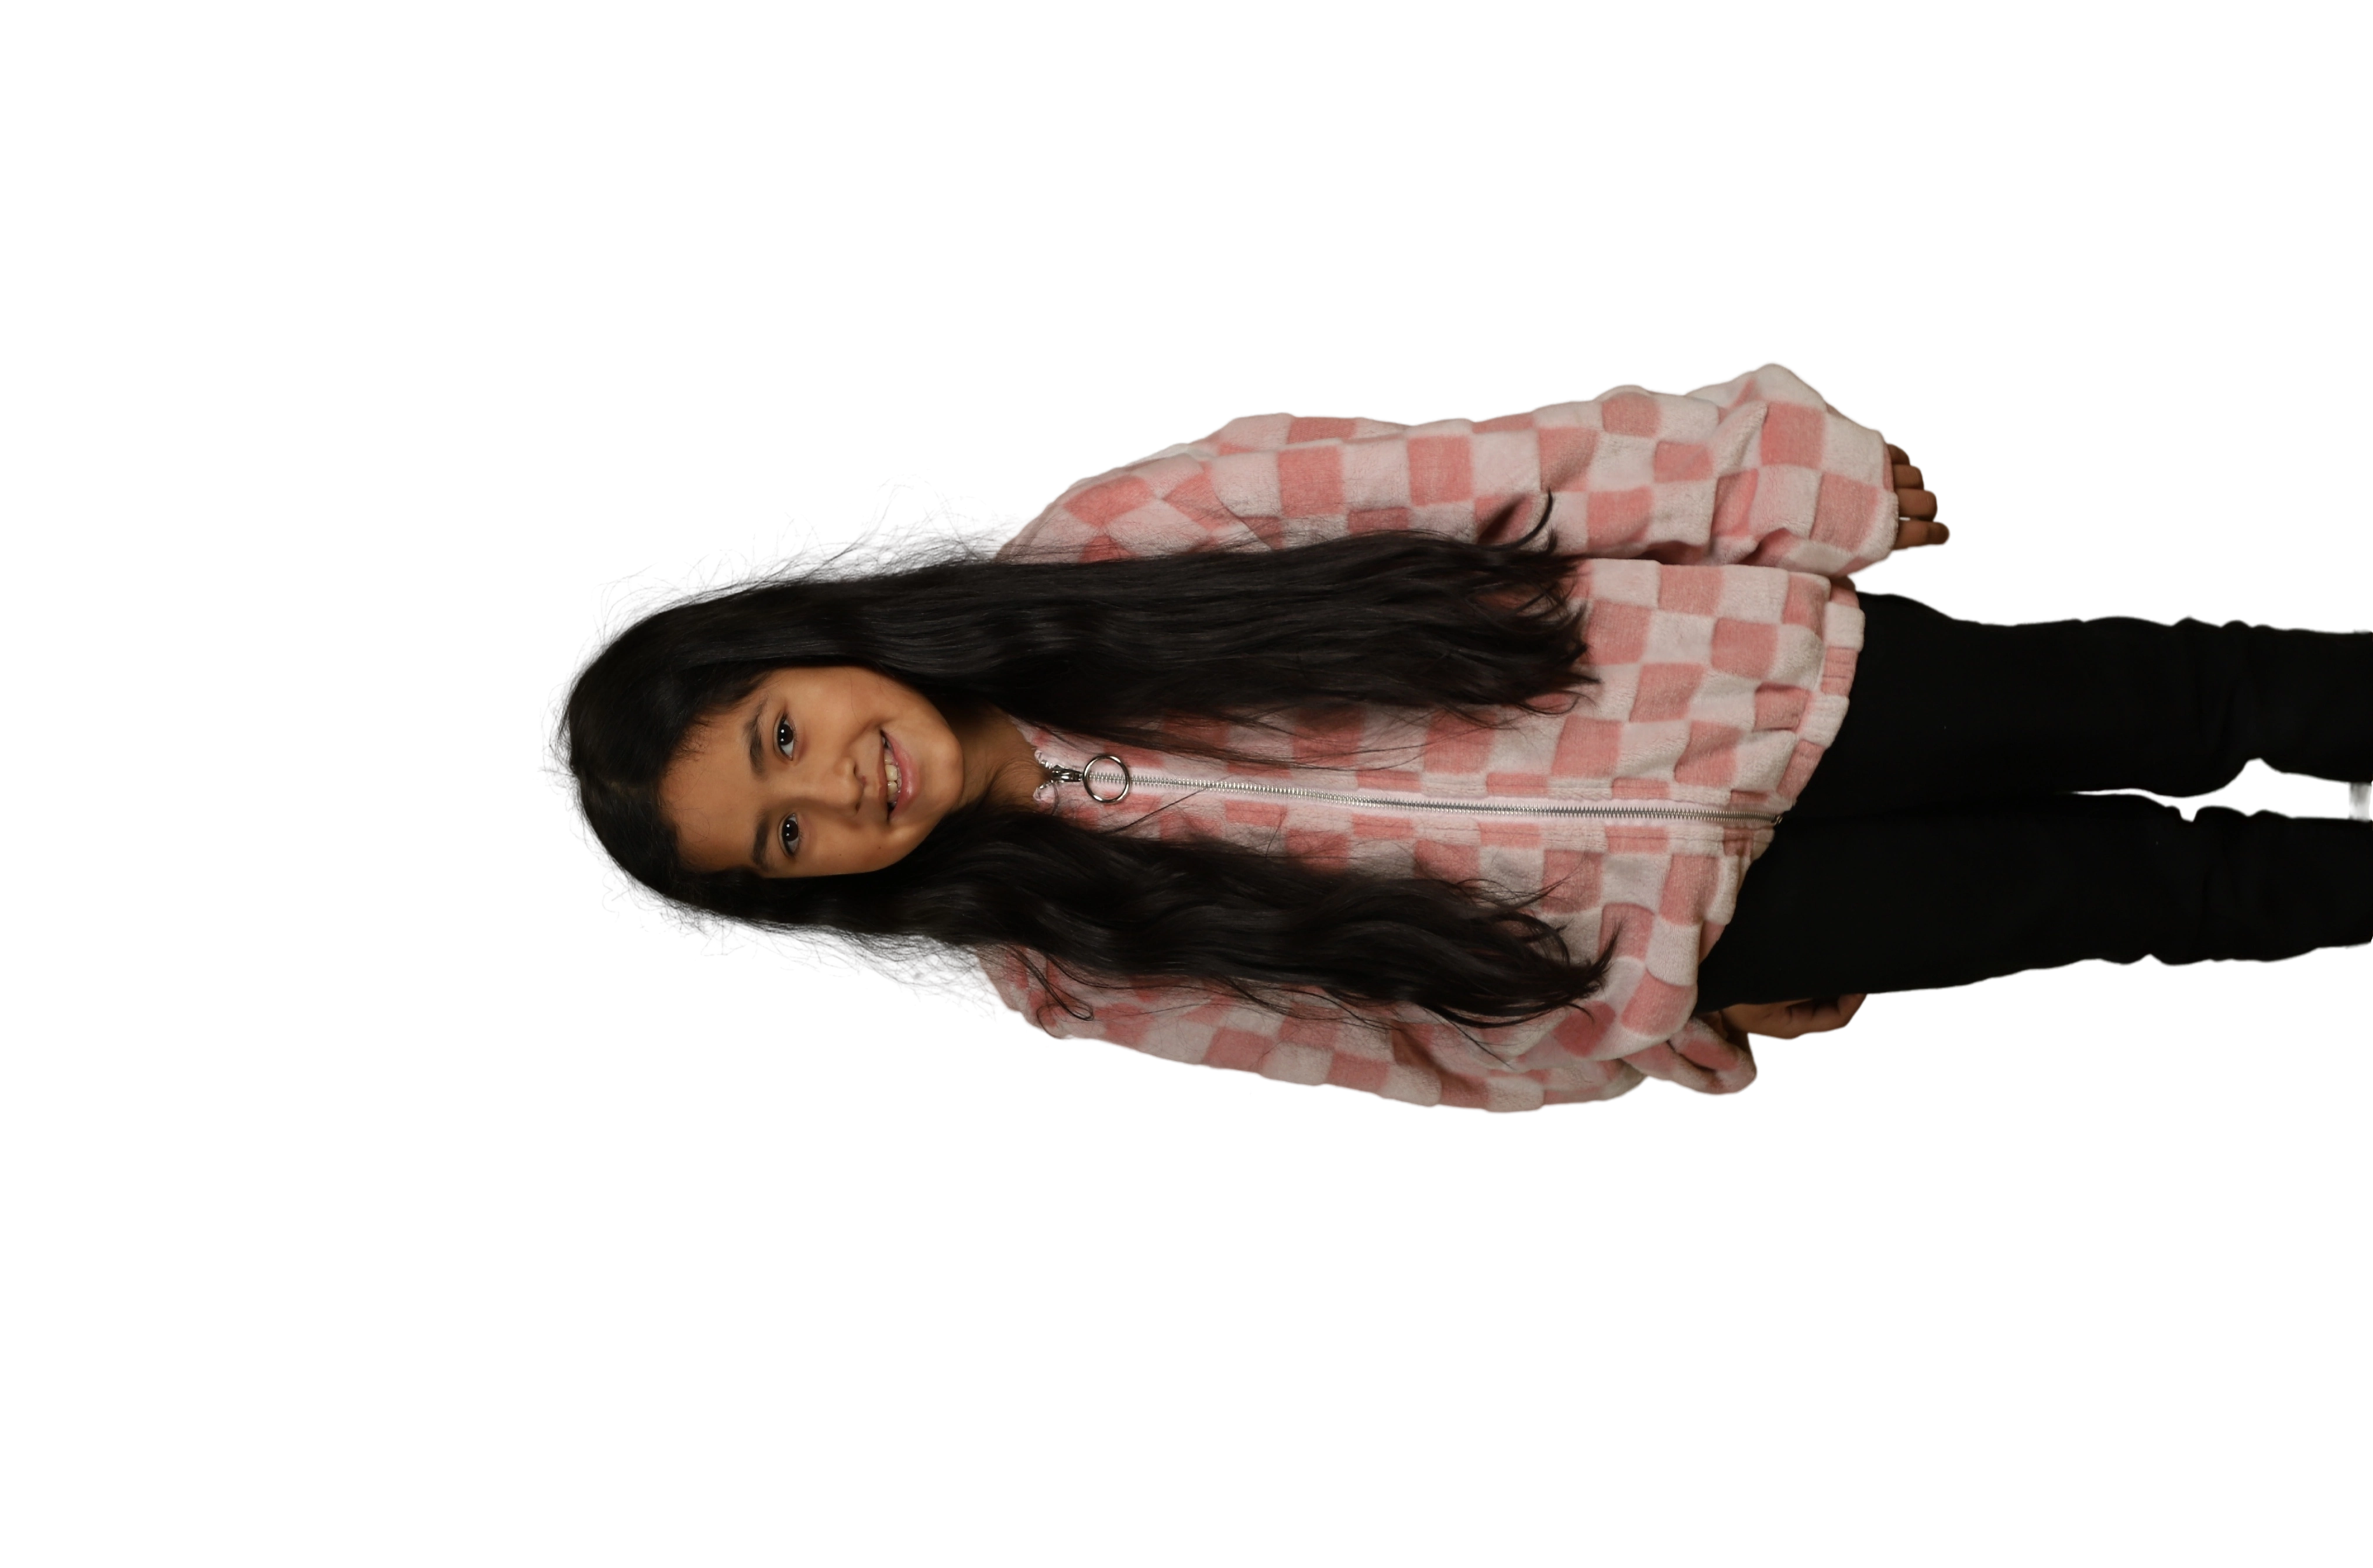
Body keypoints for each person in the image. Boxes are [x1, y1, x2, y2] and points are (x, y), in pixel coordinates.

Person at [532, 359, 2373, 1116]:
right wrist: (1656, 1035)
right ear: (814, 892)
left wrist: (1780, 478)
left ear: (809, 647)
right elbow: (1384, 1044)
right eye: (786, 835)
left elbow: (1493, 472)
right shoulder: (1056, 967)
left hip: (1744, 680)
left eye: (783, 735)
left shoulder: (1114, 541)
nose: (834, 786)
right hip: (1691, 929)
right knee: (2164, 892)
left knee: (2196, 702)